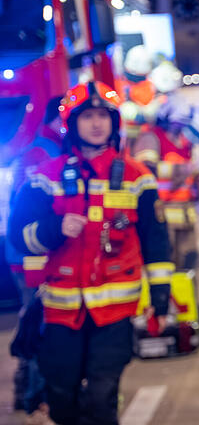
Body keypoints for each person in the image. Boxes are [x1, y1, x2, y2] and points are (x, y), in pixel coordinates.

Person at [8, 81, 173, 425]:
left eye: (103, 116)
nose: (97, 124)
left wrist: (160, 294)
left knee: (101, 397)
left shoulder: (137, 178)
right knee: (62, 396)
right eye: (88, 116)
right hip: (61, 313)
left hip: (113, 315)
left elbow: (156, 240)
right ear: (72, 123)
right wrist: (53, 229)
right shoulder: (45, 178)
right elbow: (18, 236)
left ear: (114, 123)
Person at [5, 95, 63, 416]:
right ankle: (36, 397)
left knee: (31, 320)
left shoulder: (33, 147)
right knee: (41, 324)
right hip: (33, 255)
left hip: (22, 251)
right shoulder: (48, 152)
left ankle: (25, 392)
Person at [132, 95, 199, 270]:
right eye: (177, 123)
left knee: (188, 261)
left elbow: (188, 172)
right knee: (167, 261)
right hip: (162, 214)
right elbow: (144, 169)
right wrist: (179, 170)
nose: (179, 128)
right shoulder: (151, 138)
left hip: (185, 213)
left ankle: (187, 298)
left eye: (182, 124)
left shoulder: (184, 142)